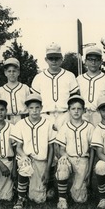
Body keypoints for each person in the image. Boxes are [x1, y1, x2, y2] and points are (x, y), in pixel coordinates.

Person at [31, 42, 79, 198]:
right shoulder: (38, 77)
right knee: (47, 150)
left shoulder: (69, 76)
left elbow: (74, 99)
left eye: (57, 58)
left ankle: (68, 185)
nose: (54, 61)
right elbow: (35, 101)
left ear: (62, 58)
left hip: (65, 114)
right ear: (46, 59)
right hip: (45, 115)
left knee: (65, 149)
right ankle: (50, 186)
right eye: (51, 58)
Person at [10, 94, 56, 209]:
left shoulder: (47, 124)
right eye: (31, 108)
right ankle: (21, 197)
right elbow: (18, 147)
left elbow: (51, 148)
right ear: (27, 109)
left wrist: (47, 170)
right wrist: (24, 156)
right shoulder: (21, 124)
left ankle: (45, 186)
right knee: (24, 163)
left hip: (41, 161)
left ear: (41, 108)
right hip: (28, 158)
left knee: (38, 199)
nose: (34, 111)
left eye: (37, 107)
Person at [55, 95, 95, 209]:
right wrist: (65, 157)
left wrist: (90, 171)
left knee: (80, 199)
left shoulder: (89, 127)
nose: (76, 111)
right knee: (62, 165)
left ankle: (74, 188)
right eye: (73, 109)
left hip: (83, 160)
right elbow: (61, 149)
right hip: (69, 158)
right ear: (68, 111)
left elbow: (92, 151)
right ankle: (62, 199)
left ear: (84, 110)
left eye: (79, 108)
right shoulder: (64, 127)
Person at [77, 45, 105, 126]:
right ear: (85, 61)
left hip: (101, 114)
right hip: (83, 114)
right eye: (90, 59)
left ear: (101, 61)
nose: (93, 62)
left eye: (96, 60)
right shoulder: (79, 79)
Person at [0, 57, 30, 125]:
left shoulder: (25, 88)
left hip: (23, 119)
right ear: (5, 73)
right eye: (9, 71)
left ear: (18, 72)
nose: (11, 73)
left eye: (14, 71)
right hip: (7, 120)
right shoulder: (0, 91)